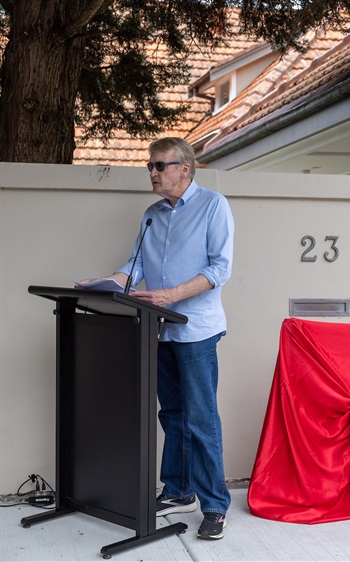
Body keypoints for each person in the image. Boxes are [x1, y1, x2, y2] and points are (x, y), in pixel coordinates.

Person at [77, 137, 234, 540]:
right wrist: (100, 283)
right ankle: (179, 490)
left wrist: (171, 295)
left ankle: (215, 504)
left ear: (184, 168)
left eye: (159, 165)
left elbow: (220, 268)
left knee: (201, 418)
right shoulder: (152, 214)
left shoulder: (213, 205)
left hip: (196, 328)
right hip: (159, 328)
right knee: (173, 414)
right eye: (151, 166)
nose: (152, 172)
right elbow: (136, 265)